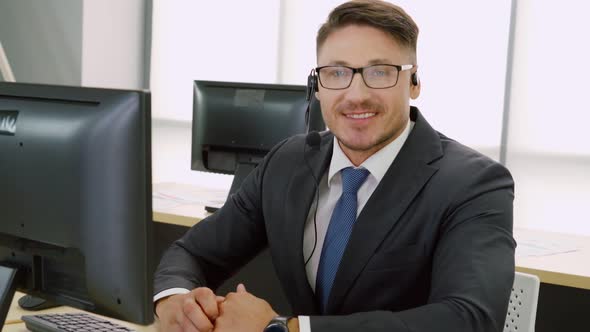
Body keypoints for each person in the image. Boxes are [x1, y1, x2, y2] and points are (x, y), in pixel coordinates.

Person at [153, 1, 516, 331]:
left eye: (380, 72)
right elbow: (192, 252)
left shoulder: (474, 183)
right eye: (337, 73)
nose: (356, 94)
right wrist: (175, 301)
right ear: (317, 85)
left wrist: (286, 329)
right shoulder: (287, 162)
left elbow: (470, 319)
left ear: (414, 81)